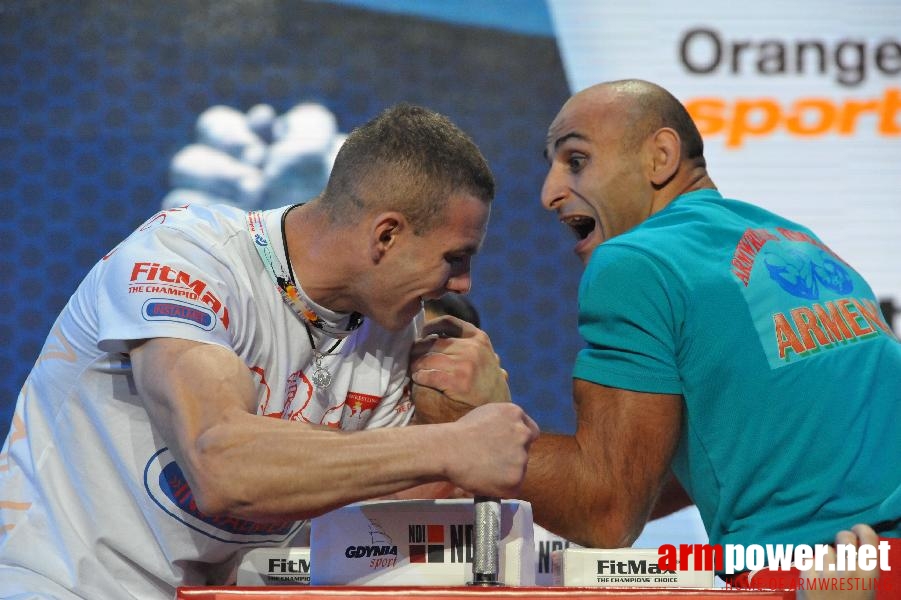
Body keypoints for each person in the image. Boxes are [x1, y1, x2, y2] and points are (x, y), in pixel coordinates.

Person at [0, 104, 538, 599]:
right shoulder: (186, 258)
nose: (463, 285)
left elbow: (376, 528)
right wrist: (451, 444)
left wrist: (473, 417)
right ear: (387, 235)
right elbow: (223, 467)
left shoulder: (392, 337)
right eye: (455, 258)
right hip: (58, 584)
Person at [410, 80, 900, 594]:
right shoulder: (795, 240)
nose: (548, 192)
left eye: (576, 160)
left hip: (829, 572)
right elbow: (739, 456)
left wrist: (465, 430)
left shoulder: (638, 258)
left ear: (660, 157)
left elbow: (606, 513)